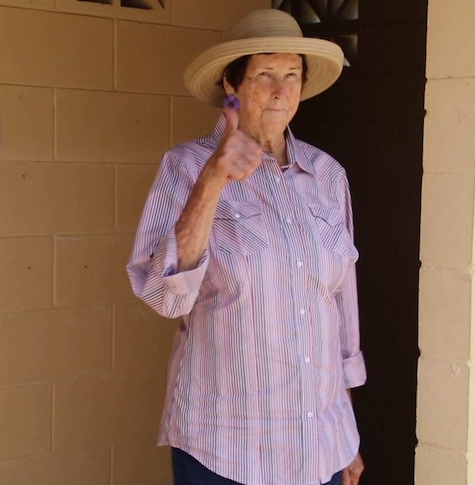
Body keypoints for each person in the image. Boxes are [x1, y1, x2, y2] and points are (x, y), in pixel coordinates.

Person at [127, 9, 365, 485]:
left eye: (292, 75)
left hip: (321, 445)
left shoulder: (327, 176)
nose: (281, 90)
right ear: (231, 85)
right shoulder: (187, 167)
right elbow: (164, 296)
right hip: (227, 447)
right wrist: (214, 179)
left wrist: (349, 436)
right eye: (265, 74)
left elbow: (339, 311)